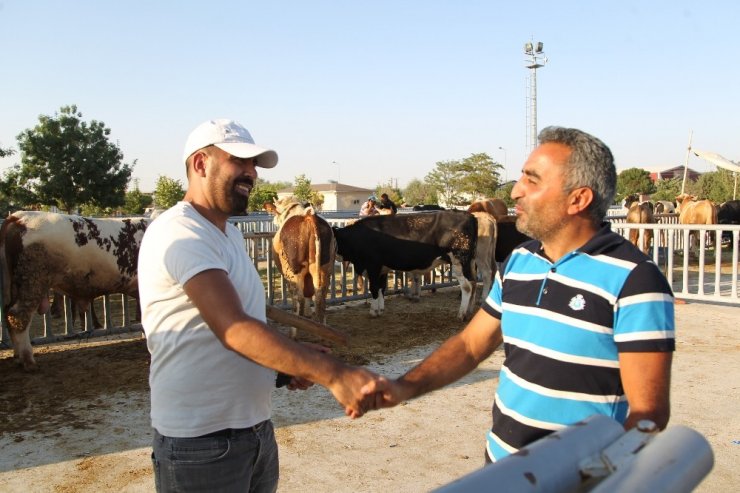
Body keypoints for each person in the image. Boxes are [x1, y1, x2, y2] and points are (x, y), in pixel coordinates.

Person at [361, 126, 675, 463]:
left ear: (578, 199)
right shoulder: (520, 262)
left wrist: (587, 477)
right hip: (502, 464)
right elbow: (470, 346)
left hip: (573, 480)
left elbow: (648, 416)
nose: (515, 192)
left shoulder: (636, 280)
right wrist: (404, 386)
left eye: (532, 180)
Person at [138, 118, 380, 492]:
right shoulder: (180, 231)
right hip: (200, 444)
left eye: (254, 165)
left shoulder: (228, 232)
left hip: (254, 432)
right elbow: (234, 329)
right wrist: (332, 372)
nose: (252, 173)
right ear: (201, 164)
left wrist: (284, 366)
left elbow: (240, 323)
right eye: (240, 161)